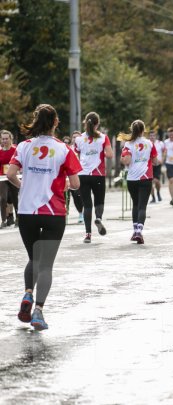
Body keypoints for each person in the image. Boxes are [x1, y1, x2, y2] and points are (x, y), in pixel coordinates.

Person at [7, 104, 82, 330]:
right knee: (46, 265)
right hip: (53, 213)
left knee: (34, 258)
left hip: (27, 212)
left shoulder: (23, 146)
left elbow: (10, 174)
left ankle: (28, 294)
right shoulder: (64, 149)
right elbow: (76, 184)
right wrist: (65, 185)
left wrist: (24, 186)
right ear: (56, 123)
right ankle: (38, 312)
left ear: (36, 120)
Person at [75, 112, 113, 243]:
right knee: (99, 201)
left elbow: (76, 155)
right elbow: (109, 155)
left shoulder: (79, 138)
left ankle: (88, 234)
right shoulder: (103, 137)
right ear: (98, 124)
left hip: (82, 174)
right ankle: (98, 218)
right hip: (98, 174)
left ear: (85, 123)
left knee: (87, 205)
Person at [120, 120, 158, 244]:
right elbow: (155, 160)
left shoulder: (128, 144)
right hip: (146, 177)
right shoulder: (150, 143)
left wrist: (123, 157)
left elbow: (126, 161)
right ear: (143, 130)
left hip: (132, 179)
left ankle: (135, 230)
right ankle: (139, 232)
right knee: (142, 206)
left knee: (135, 204)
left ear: (132, 130)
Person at [0, 129, 18, 228]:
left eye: (6, 139)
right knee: (3, 198)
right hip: (3, 177)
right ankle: (4, 220)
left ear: (11, 139)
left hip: (14, 176)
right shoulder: (0, 151)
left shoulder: (15, 150)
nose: (5, 141)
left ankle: (18, 218)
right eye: (3, 139)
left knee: (15, 198)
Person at [149, 130, 165, 203]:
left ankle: (158, 192)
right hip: (150, 165)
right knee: (150, 182)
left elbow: (165, 151)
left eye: (153, 136)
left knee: (157, 181)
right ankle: (153, 197)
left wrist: (162, 159)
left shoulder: (160, 143)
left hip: (158, 164)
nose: (152, 137)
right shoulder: (147, 144)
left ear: (156, 136)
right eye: (150, 136)